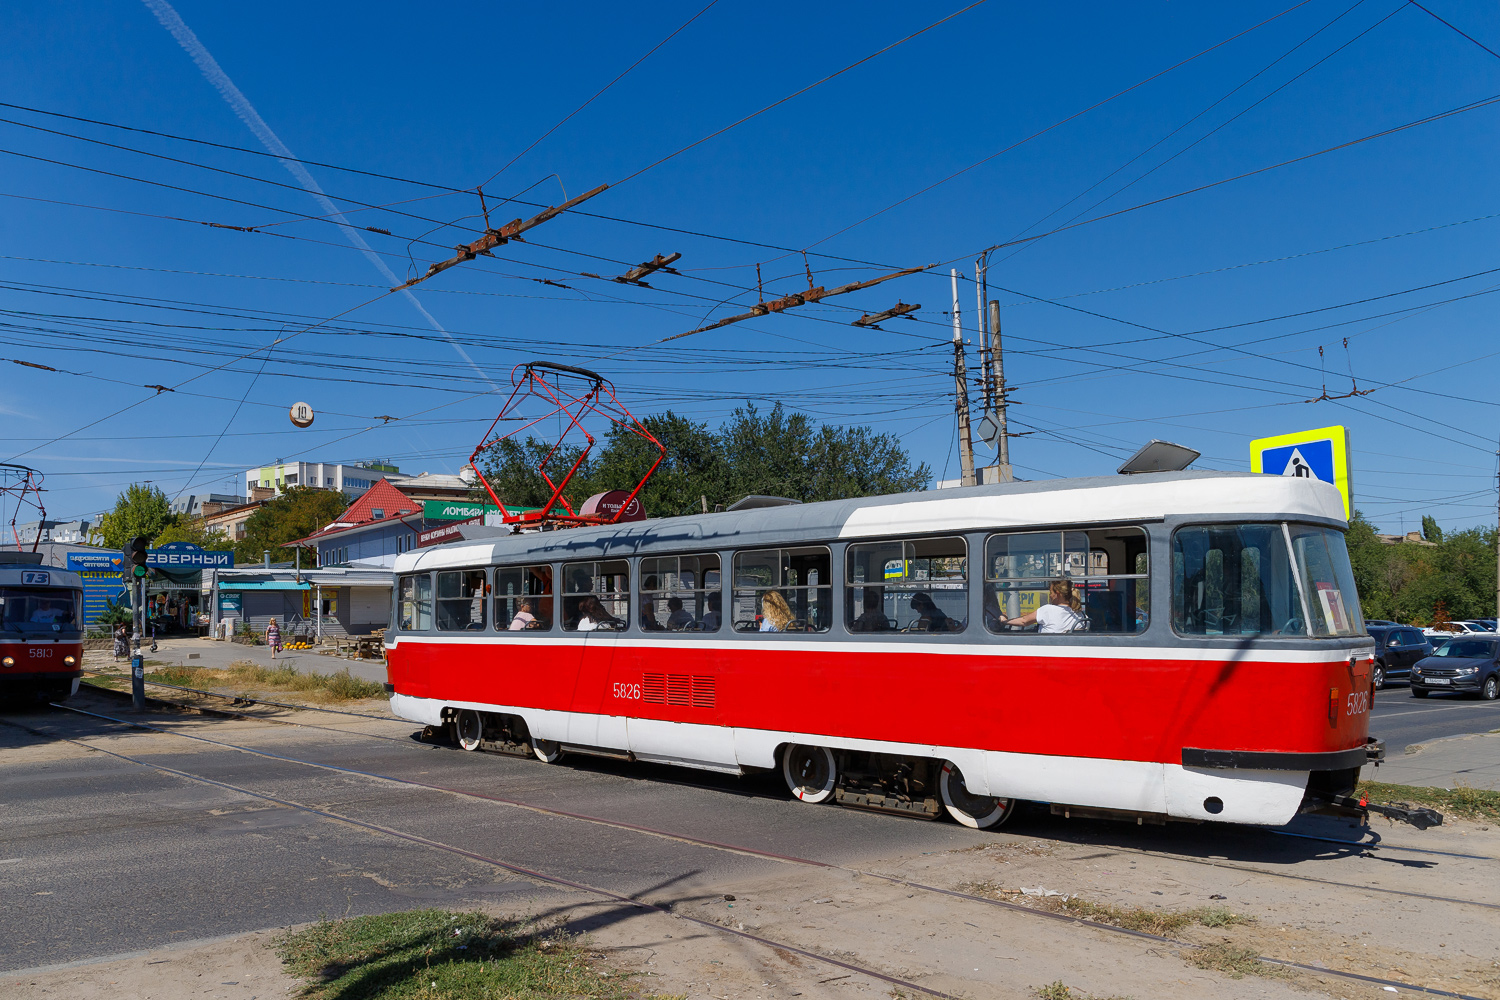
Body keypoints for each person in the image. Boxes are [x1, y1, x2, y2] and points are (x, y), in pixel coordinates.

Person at [1000, 580, 1087, 633]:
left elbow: (1024, 621)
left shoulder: (1048, 610)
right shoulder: (1081, 615)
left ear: (1057, 594)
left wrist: (1004, 621)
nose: (1050, 596)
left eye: (1051, 592)